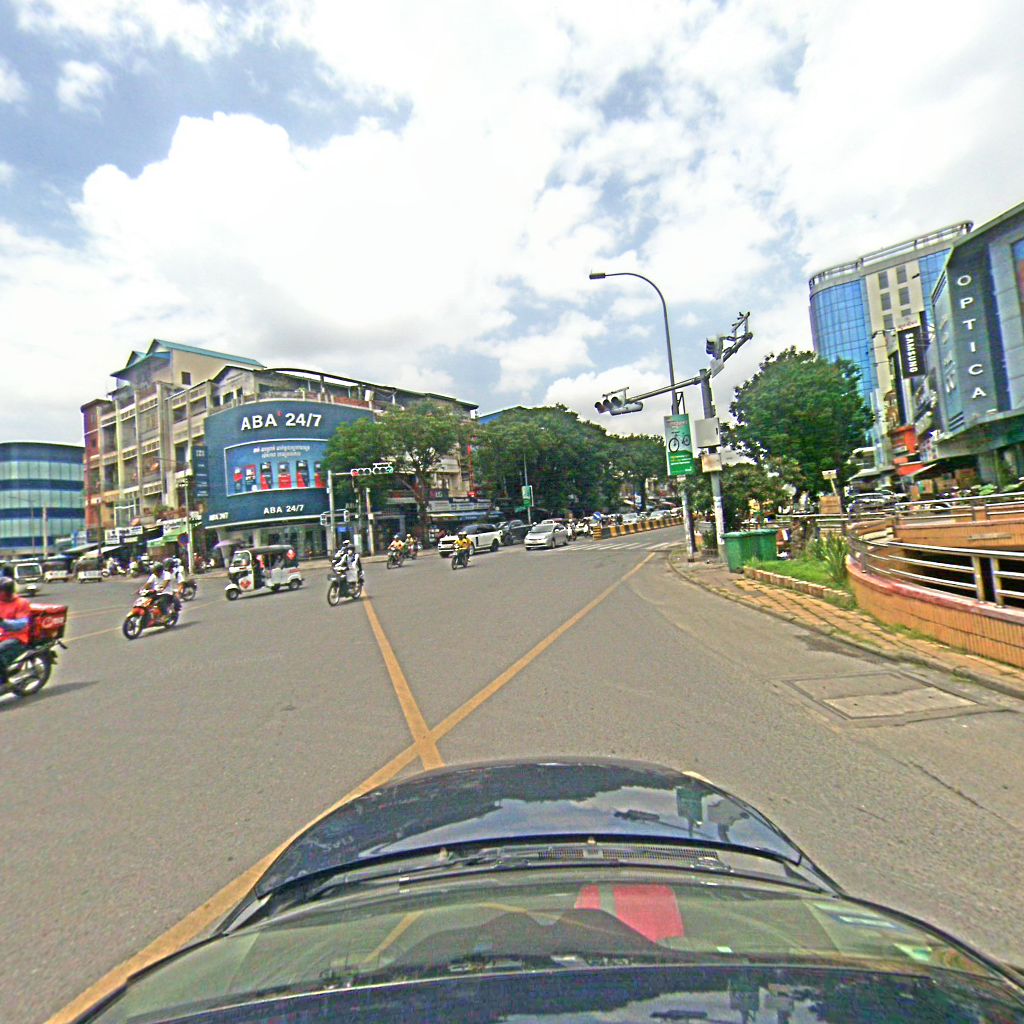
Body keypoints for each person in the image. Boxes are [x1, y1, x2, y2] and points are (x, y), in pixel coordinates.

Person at [0, 576, 32, 671]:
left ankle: (4, 678)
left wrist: (2, 622)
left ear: (8, 592)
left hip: (17, 637)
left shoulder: (21, 603)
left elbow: (21, 624)